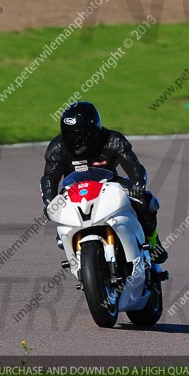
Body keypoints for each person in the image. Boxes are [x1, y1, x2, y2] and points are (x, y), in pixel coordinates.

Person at [40, 101, 167, 264]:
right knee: (59, 229)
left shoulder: (113, 140)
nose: (74, 139)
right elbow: (49, 178)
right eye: (69, 133)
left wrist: (137, 184)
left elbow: (134, 167)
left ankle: (154, 241)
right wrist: (49, 200)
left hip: (110, 185)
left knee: (145, 201)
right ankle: (76, 252)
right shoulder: (57, 147)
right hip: (74, 191)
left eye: (78, 134)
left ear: (92, 131)